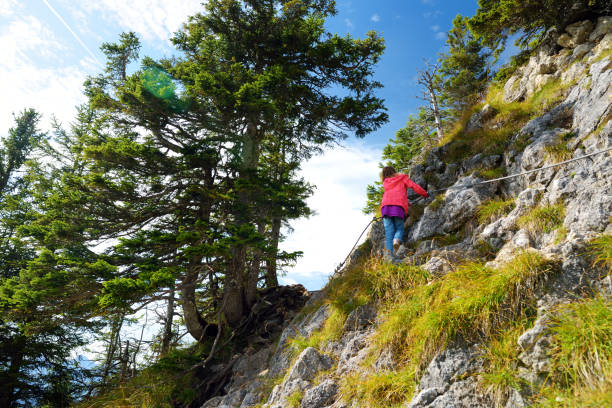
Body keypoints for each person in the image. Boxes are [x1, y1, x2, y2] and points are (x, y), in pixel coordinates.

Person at [380, 166, 428, 258]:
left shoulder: (386, 183)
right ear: (394, 171)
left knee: (389, 232)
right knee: (399, 228)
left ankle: (389, 257)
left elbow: (392, 196)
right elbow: (414, 186)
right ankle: (397, 240)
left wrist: (406, 203)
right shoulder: (402, 178)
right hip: (398, 207)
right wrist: (424, 193)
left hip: (385, 208)